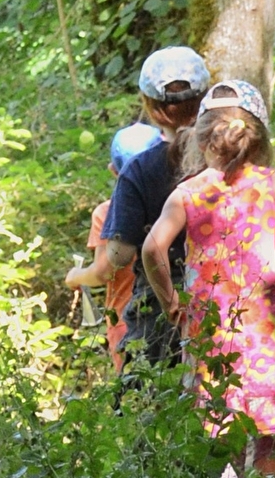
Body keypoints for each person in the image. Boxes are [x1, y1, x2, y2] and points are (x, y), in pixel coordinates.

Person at [141, 80, 275, 477]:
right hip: (271, 337)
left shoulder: (186, 195)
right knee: (271, 451)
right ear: (259, 136)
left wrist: (170, 302)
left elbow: (151, 250)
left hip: (213, 340)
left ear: (200, 139)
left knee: (223, 445)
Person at [100, 46, 212, 366]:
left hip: (161, 307)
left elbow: (119, 256)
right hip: (228, 294)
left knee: (144, 398)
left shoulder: (138, 169)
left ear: (149, 105)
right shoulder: (226, 156)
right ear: (204, 98)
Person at [65, 122, 160, 372]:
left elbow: (103, 271)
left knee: (133, 396)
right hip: (174, 315)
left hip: (126, 322)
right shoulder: (180, 202)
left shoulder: (107, 213)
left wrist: (76, 276)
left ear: (113, 171)